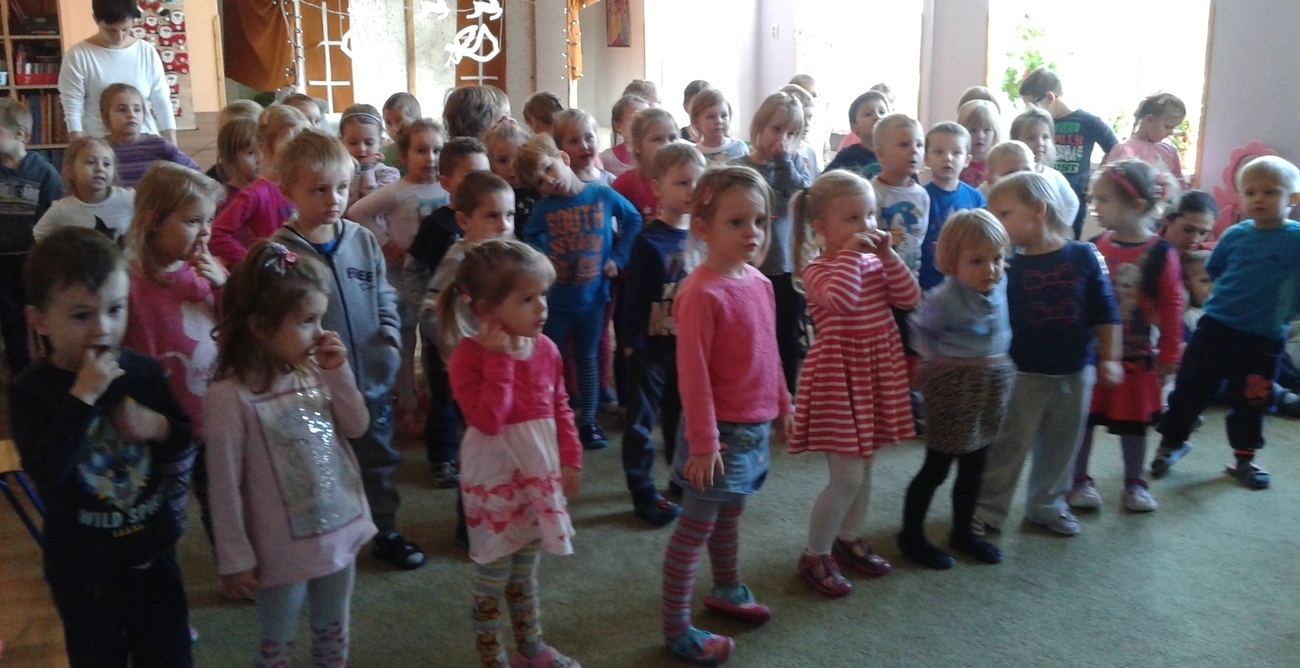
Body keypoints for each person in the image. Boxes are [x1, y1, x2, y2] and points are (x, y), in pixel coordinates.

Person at [11, 227, 194, 667]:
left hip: (153, 553)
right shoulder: (31, 391)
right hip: (84, 570)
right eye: (81, 315)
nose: (103, 329)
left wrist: (157, 426)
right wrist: (82, 399)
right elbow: (45, 473)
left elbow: (183, 437)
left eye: (115, 309)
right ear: (40, 320)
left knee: (170, 657)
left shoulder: (141, 371)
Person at [205, 240, 375, 667]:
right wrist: (235, 557)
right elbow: (223, 485)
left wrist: (339, 373)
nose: (320, 333)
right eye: (307, 321)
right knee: (277, 643)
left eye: (321, 318)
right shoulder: (229, 395)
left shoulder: (316, 369)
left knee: (333, 629)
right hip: (280, 549)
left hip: (339, 528)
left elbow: (357, 426)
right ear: (260, 327)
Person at [271, 131, 422, 569]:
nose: (333, 199)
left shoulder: (361, 239)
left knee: (378, 459)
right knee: (321, 462)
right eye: (319, 190)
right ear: (289, 190)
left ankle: (384, 530)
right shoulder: (280, 253)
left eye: (341, 187)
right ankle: (332, 536)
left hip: (371, 378)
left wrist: (390, 339)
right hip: (313, 388)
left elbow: (384, 294)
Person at [661, 166, 790, 665]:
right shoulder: (700, 292)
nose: (752, 233)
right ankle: (676, 629)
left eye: (759, 221)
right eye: (736, 222)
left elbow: (770, 352)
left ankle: (726, 587)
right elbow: (692, 375)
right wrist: (703, 442)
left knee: (731, 512)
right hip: (715, 435)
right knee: (695, 527)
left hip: (752, 427)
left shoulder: (759, 282)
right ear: (703, 228)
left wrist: (784, 403)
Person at [438, 239, 583, 668]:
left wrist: (571, 457)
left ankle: (530, 650)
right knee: (492, 576)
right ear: (487, 309)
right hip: (495, 478)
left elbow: (560, 406)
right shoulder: (467, 358)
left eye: (543, 295)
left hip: (537, 473)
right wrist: (500, 361)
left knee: (525, 571)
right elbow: (487, 420)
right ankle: (493, 659)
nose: (542, 308)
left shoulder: (547, 349)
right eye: (527, 299)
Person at [788, 170, 917, 596]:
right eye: (853, 219)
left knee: (865, 467)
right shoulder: (817, 270)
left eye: (871, 215)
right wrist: (848, 256)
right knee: (846, 477)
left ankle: (848, 538)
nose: (867, 227)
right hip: (838, 379)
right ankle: (815, 554)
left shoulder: (874, 261)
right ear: (821, 227)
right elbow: (841, 302)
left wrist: (889, 256)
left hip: (875, 372)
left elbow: (909, 298)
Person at [973, 171, 1121, 537]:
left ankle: (1047, 505)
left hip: (1075, 372)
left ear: (1038, 210)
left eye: (1004, 214)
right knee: (1008, 444)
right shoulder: (1006, 265)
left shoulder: (1084, 255)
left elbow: (1106, 309)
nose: (997, 225)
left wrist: (1110, 358)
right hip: (1021, 374)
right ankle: (988, 509)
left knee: (1061, 446)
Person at [1151, 156, 1300, 489]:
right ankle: (1171, 443)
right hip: (1216, 327)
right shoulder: (1234, 235)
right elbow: (1216, 270)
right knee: (1190, 388)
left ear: (1293, 199)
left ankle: (1243, 458)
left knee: (1252, 400)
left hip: (1264, 338)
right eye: (1250, 192)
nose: (1258, 199)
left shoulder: (1296, 239)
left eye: (1270, 192)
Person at [902, 209, 1014, 569]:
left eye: (997, 258)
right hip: (954, 386)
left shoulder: (1001, 283)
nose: (991, 269)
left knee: (975, 464)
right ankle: (911, 537)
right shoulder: (944, 298)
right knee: (937, 467)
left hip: (991, 382)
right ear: (953, 261)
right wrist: (941, 364)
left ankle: (962, 532)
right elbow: (920, 330)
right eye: (977, 261)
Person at [1070, 160, 1183, 512]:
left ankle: (1134, 483)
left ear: (1136, 205)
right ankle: (1078, 480)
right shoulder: (1092, 247)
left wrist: (1169, 356)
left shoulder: (1162, 253)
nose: (1095, 207)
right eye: (1094, 199)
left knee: (1135, 425)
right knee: (1084, 421)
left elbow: (1172, 306)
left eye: (1104, 200)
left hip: (1136, 359)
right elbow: (1078, 302)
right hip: (1092, 356)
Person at [122, 163, 226, 543]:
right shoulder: (128, 283)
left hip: (214, 418)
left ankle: (234, 565)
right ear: (152, 221)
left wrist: (224, 286)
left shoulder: (208, 270)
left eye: (209, 220)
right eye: (193, 221)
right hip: (166, 429)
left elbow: (237, 328)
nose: (206, 231)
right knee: (167, 515)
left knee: (225, 508)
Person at [517, 133, 641, 450]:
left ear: (563, 158)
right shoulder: (544, 209)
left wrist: (619, 258)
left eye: (548, 168)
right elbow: (529, 240)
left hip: (593, 301)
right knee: (550, 361)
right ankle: (551, 419)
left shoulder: (602, 195)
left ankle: (588, 421)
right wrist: (544, 262)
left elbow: (634, 220)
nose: (549, 180)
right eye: (539, 181)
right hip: (555, 305)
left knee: (587, 359)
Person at [347, 118, 453, 439]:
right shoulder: (397, 190)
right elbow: (357, 212)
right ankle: (407, 401)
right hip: (404, 279)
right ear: (404, 156)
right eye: (421, 151)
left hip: (440, 279)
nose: (430, 158)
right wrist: (385, 242)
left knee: (437, 341)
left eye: (437, 150)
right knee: (406, 344)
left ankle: (434, 396)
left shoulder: (449, 188)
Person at [619, 142, 705, 527]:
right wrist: (630, 345)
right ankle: (642, 491)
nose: (691, 190)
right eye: (682, 183)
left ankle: (679, 477)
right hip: (650, 350)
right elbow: (634, 297)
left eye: (697, 183)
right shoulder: (648, 241)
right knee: (642, 422)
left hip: (688, 348)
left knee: (681, 418)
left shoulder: (702, 237)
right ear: (658, 188)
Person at [403, 135, 490, 484]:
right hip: (442, 330)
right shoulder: (439, 225)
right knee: (443, 394)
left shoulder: (491, 223)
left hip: (478, 330)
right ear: (447, 183)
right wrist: (426, 313)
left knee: (474, 392)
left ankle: (472, 451)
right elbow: (413, 269)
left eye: (485, 174)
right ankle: (441, 458)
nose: (480, 183)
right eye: (471, 176)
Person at [731, 91, 812, 394]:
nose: (782, 139)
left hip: (787, 266)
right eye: (776, 129)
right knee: (750, 332)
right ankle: (751, 392)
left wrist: (786, 164)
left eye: (791, 133)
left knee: (786, 333)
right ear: (759, 126)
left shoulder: (796, 165)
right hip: (749, 265)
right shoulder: (740, 167)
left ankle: (786, 396)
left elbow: (804, 199)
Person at [1019, 67, 1118, 238]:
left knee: (1070, 239)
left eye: (1032, 105)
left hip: (1075, 196)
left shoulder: (1089, 122)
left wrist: (1096, 181)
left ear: (1050, 98)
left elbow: (1114, 148)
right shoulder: (1040, 125)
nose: (1030, 112)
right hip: (1044, 194)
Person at [0, 97, 61, 375]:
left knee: (44, 315)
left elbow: (54, 216)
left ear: (20, 134)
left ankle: (56, 368)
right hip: (3, 263)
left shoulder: (44, 172)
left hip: (34, 261)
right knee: (11, 319)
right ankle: (21, 375)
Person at [59, 0, 176, 142]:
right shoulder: (78, 55)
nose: (119, 37)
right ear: (96, 20)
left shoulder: (146, 51)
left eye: (125, 29)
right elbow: (72, 109)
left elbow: (161, 100)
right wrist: (77, 148)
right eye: (111, 30)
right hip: (101, 145)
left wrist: (173, 146)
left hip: (145, 140)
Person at [209, 104, 311, 266]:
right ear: (265, 147)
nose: (299, 151)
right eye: (290, 144)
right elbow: (217, 234)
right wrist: (253, 262)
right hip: (275, 276)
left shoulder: (306, 186)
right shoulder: (256, 193)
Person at [920, 122, 986, 292]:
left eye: (956, 153)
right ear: (926, 158)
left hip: (967, 284)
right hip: (929, 283)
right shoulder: (920, 197)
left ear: (967, 160)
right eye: (939, 152)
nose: (948, 158)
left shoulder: (976, 198)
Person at [35, 136, 134, 245]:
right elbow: (39, 234)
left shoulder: (128, 199)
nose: (100, 169)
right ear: (71, 171)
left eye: (106, 164)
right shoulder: (62, 209)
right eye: (90, 162)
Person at [101, 84, 201, 188]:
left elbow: (197, 173)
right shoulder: (99, 149)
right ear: (106, 117)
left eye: (137, 110)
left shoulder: (159, 145)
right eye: (122, 110)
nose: (131, 115)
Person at [1007, 111, 1082, 226]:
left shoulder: (1054, 177)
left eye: (1045, 137)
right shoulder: (1008, 175)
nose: (1040, 143)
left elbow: (1072, 204)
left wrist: (1059, 229)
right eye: (1031, 138)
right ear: (1015, 142)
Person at [611, 107, 680, 222]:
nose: (667, 144)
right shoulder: (626, 183)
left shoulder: (685, 180)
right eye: (657, 139)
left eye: (672, 138)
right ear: (637, 146)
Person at [1105, 93, 1186, 183]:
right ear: (1149, 120)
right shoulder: (1125, 150)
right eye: (1167, 127)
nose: (1171, 132)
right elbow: (1114, 186)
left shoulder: (1169, 151)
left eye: (1174, 128)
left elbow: (1180, 185)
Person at [338, 104, 401, 209]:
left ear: (381, 142)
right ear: (341, 142)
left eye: (369, 143)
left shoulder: (390, 174)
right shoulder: (336, 174)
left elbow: (372, 206)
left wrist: (367, 168)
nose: (361, 149)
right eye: (353, 143)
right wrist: (356, 169)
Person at [484, 118, 538, 237]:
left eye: (518, 157)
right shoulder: (492, 197)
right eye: (503, 160)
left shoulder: (541, 188)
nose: (511, 166)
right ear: (491, 163)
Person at [825, 90, 890, 181]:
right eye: (868, 114)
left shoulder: (898, 152)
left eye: (882, 112)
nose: (877, 117)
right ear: (854, 127)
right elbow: (823, 181)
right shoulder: (848, 155)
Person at [552, 108, 613, 186]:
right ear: (560, 147)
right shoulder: (563, 186)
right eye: (574, 141)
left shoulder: (611, 181)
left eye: (589, 138)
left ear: (597, 139)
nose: (584, 146)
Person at [689, 88, 748, 165]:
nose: (719, 121)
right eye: (711, 117)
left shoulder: (739, 147)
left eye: (724, 116)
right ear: (696, 122)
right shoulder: (694, 155)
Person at [214, 117, 260, 215]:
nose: (260, 159)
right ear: (228, 156)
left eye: (263, 151)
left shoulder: (273, 192)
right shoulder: (223, 200)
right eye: (251, 153)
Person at [600, 94, 650, 177]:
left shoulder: (654, 157)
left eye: (648, 119)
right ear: (618, 126)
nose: (644, 124)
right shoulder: (607, 158)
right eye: (635, 119)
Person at [780, 84, 822, 176]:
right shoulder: (777, 150)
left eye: (809, 117)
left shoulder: (810, 151)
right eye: (802, 117)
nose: (807, 123)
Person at [957, 100, 1001, 189]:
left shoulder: (1000, 164)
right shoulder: (957, 162)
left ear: (995, 133)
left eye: (987, 130)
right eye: (973, 130)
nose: (980, 136)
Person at [1160, 190, 1218, 254]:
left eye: (1203, 233)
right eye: (1188, 230)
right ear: (1168, 220)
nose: (1194, 240)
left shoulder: (1211, 254)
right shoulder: (1151, 247)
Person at [381, 91, 422, 170]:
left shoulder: (427, 148)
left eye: (399, 121)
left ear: (417, 120)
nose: (394, 128)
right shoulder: (386, 154)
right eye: (388, 123)